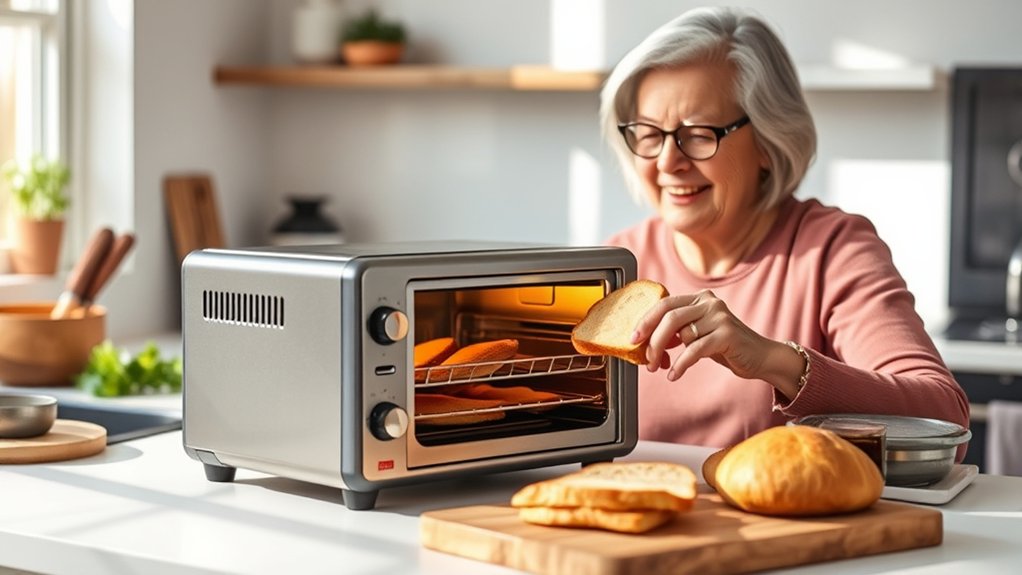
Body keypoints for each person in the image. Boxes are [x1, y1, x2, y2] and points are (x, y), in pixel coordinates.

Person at [599, 6, 970, 457]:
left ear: (768, 142)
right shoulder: (616, 262)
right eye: (649, 133)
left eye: (698, 134)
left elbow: (945, 420)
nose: (666, 162)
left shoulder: (831, 250)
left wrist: (775, 361)